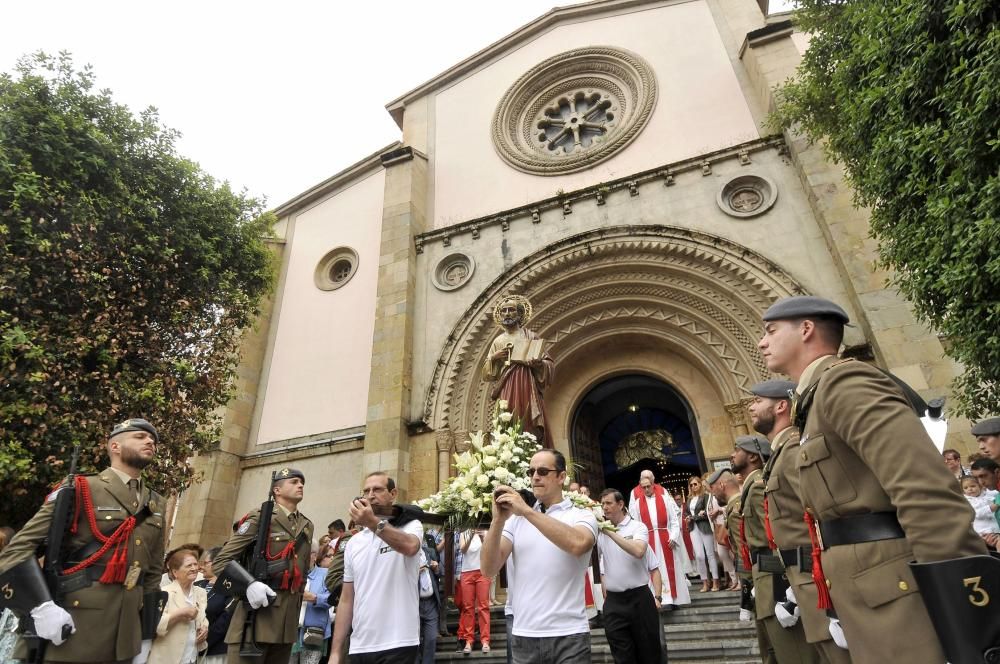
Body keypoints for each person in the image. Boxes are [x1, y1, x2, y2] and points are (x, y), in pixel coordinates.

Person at [759, 295, 987, 662]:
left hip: (897, 591)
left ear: (806, 330)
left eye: (771, 331)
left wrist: (964, 601)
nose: (762, 342)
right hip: (861, 592)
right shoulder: (814, 402)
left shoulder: (846, 383)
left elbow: (922, 487)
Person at [0, 417, 166, 663]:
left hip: (126, 635)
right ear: (115, 447)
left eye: (152, 439)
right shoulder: (80, 488)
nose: (150, 441)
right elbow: (16, 551)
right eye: (139, 437)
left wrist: (145, 633)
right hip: (75, 623)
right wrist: (40, 606)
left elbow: (151, 571)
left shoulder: (155, 503)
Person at [750, 378, 846, 664]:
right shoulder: (779, 454)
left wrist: (831, 590)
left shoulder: (792, 449)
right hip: (800, 580)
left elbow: (820, 515)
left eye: (758, 401)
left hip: (815, 581)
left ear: (781, 406)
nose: (751, 407)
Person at [480, 449, 598, 664]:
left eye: (543, 471)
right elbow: (488, 569)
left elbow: (578, 544)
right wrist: (497, 520)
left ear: (561, 477)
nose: (535, 477)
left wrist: (526, 511)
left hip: (569, 635)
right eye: (531, 471)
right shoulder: (515, 521)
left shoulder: (582, 515)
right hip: (524, 635)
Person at [214, 468, 314, 664]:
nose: (300, 485)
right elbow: (222, 561)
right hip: (257, 617)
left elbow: (301, 571)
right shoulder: (260, 517)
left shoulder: (306, 525)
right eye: (293, 482)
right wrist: (249, 585)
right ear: (276, 489)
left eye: (302, 482)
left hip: (287, 622)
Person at [733, 434, 815, 664]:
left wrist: (785, 593)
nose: (732, 454)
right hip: (763, 580)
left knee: (795, 654)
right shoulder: (752, 486)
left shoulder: (758, 486)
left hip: (774, 582)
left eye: (737, 449)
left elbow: (776, 540)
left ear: (752, 456)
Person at [329, 472, 422, 664]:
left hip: (399, 641)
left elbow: (410, 547)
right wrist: (335, 652)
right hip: (360, 645)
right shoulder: (354, 543)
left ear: (393, 493)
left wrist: (372, 522)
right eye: (366, 491)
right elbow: (347, 599)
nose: (370, 495)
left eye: (377, 489)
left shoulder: (411, 525)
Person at [597, 489, 665, 664]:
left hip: (639, 599)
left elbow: (638, 551)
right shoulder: (599, 532)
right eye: (602, 504)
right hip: (614, 602)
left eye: (609, 503)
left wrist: (610, 532)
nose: (604, 508)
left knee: (649, 653)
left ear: (620, 504)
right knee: (621, 656)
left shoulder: (637, 527)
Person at [481, 295, 555, 447]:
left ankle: (530, 446)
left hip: (527, 384)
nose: (507, 313)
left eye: (511, 310)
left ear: (520, 314)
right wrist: (494, 358)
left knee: (527, 417)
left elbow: (549, 365)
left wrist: (538, 363)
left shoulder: (531, 336)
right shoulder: (498, 341)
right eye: (503, 311)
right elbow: (487, 374)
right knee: (509, 417)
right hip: (507, 385)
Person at [628, 469, 690, 608]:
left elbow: (674, 521)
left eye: (648, 486)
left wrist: (673, 537)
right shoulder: (637, 504)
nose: (646, 489)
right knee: (653, 569)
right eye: (643, 487)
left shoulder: (664, 499)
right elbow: (636, 525)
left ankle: (673, 600)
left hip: (665, 539)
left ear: (653, 485)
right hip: (648, 541)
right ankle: (657, 600)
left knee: (670, 568)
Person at [149, 549, 208, 664]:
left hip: (191, 657)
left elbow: (203, 618)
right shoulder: (164, 592)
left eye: (195, 564)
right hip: (166, 658)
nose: (194, 568)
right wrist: (181, 613)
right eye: (189, 565)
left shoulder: (201, 593)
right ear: (175, 572)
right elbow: (156, 626)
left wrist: (205, 628)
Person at [291, 544, 332, 664]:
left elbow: (332, 599)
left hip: (313, 635)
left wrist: (314, 598)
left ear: (314, 556)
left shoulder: (325, 574)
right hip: (289, 633)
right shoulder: (290, 573)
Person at [685, 475, 720, 592]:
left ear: (700, 484)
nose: (693, 486)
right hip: (693, 528)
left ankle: (715, 581)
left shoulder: (705, 497)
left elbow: (706, 513)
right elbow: (686, 513)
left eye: (695, 484)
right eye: (691, 485)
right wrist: (689, 518)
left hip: (704, 527)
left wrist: (695, 516)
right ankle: (705, 582)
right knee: (699, 556)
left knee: (710, 555)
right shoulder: (689, 499)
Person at [196, 546, 231, 664]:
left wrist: (203, 640)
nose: (201, 567)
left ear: (217, 563)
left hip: (214, 651)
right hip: (189, 648)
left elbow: (224, 622)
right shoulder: (197, 584)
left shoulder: (229, 589)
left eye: (206, 563)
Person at [458, 529, 491, 653]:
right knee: (468, 607)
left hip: (483, 571)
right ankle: (469, 640)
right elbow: (463, 549)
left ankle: (485, 641)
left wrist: (483, 538)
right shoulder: (464, 533)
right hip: (467, 572)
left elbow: (489, 550)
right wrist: (470, 535)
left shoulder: (486, 531)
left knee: (483, 606)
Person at [706, 469, 739, 591]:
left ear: (721, 484)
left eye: (711, 486)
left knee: (733, 553)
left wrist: (719, 511)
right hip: (718, 527)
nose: (711, 490)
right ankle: (735, 580)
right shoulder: (711, 497)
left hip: (724, 525)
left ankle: (739, 580)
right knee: (723, 554)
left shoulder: (733, 501)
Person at [417, 537, 442, 664]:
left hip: (431, 602)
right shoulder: (406, 555)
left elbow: (440, 572)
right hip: (414, 604)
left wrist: (436, 568)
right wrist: (416, 571)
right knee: (415, 642)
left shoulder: (430, 552)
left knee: (431, 639)